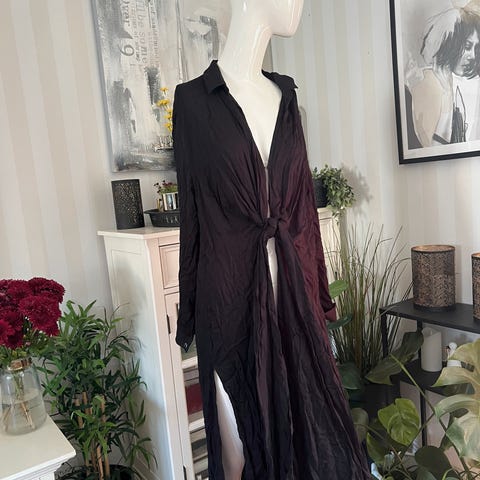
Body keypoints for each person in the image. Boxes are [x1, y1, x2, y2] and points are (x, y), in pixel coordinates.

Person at [173, 0, 370, 478]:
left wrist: (320, 297)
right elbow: (192, 218)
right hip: (230, 303)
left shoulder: (285, 98)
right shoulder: (192, 102)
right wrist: (190, 314)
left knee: (306, 436)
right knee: (239, 451)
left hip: (293, 300)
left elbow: (303, 208)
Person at [407, 5, 480, 147]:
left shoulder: (449, 81)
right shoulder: (429, 83)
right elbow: (429, 148)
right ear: (451, 43)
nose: (472, 56)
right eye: (467, 46)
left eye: (475, 48)